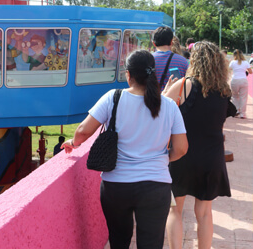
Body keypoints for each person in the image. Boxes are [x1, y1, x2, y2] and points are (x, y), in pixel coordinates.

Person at [62, 50, 188, 249]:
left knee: (119, 241)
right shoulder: (170, 106)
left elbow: (83, 131)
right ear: (152, 73)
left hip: (116, 185)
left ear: (128, 75)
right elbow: (181, 149)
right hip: (156, 186)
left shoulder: (114, 98)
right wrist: (161, 159)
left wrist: (73, 143)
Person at [164, 41, 232, 249]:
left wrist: (166, 90)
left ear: (194, 60)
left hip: (182, 155)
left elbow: (157, 111)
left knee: (175, 210)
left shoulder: (184, 85)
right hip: (212, 158)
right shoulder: (225, 91)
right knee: (204, 213)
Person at [152, 27, 189, 91]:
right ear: (171, 42)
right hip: (175, 100)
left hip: (152, 100)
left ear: (154, 43)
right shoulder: (183, 61)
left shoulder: (147, 60)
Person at [229, 49, 252, 119]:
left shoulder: (232, 62)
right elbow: (250, 72)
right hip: (243, 80)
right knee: (243, 97)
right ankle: (243, 114)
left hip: (235, 80)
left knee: (235, 96)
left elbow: (229, 69)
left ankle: (236, 110)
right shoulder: (245, 62)